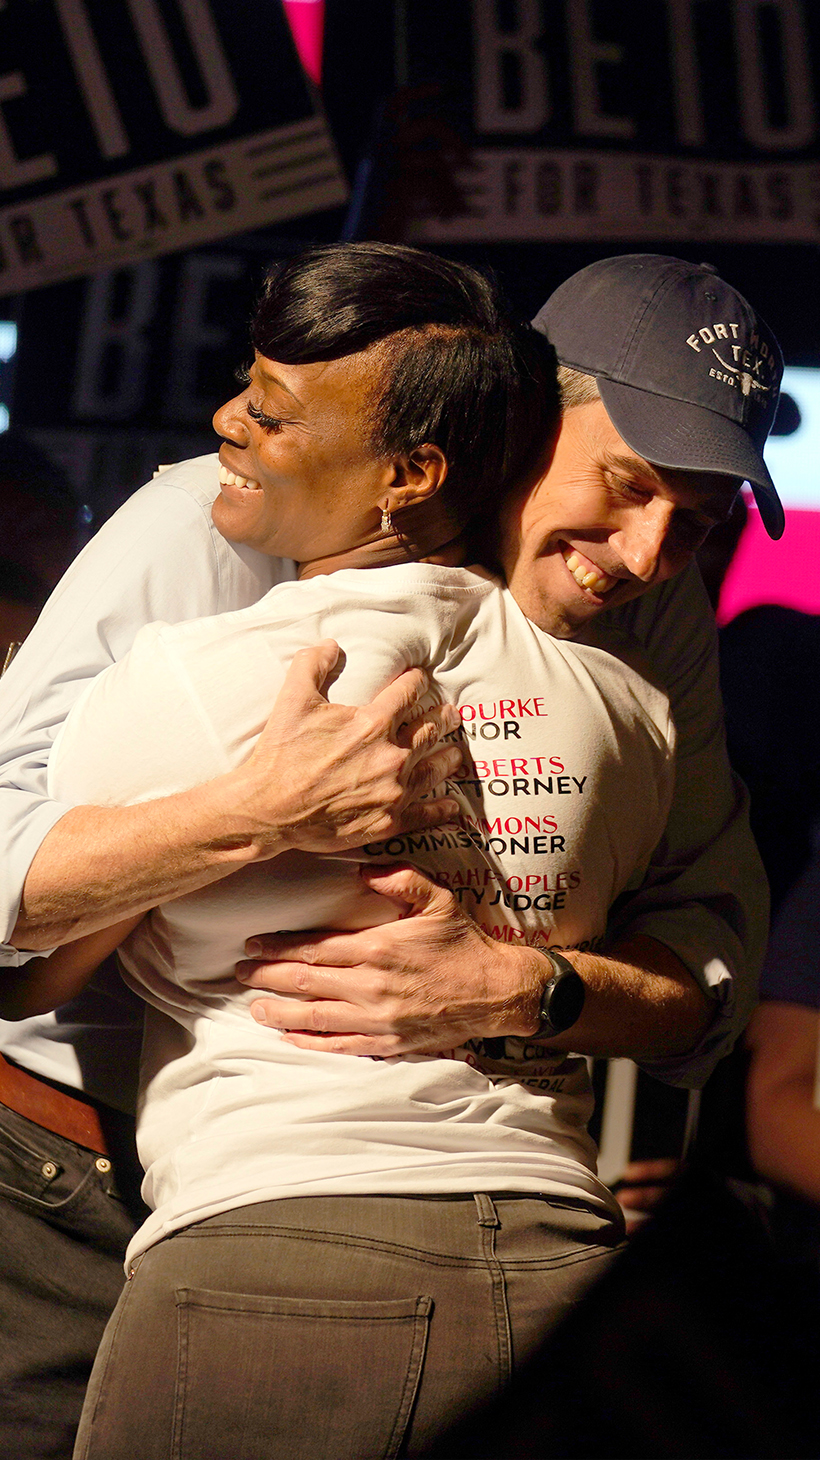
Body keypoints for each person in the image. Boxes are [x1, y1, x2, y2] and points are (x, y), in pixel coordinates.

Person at [0, 250, 780, 1451]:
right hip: (75, 1159)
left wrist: (532, 987)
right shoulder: (219, 519)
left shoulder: (645, 615)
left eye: (701, 518)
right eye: (622, 484)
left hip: (455, 1199)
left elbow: (707, 970)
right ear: (519, 425)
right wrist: (255, 810)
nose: (643, 553)